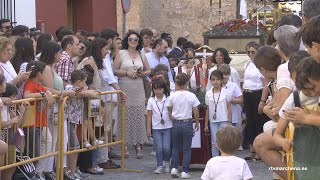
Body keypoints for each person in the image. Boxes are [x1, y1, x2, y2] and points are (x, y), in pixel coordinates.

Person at [113, 31, 151, 159]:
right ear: (127, 40)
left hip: (138, 87)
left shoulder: (141, 53)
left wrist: (143, 73)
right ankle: (124, 145)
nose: (133, 42)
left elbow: (149, 69)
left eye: (135, 40)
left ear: (138, 41)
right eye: (130, 39)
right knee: (124, 115)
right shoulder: (121, 53)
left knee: (139, 114)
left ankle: (138, 145)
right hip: (125, 86)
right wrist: (126, 73)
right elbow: (114, 70)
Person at [23, 61, 56, 179]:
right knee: (34, 152)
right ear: (39, 74)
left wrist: (47, 92)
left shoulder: (37, 84)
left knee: (48, 142)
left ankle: (38, 171)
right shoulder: (30, 83)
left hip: (40, 121)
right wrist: (43, 94)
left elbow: (44, 90)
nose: (44, 75)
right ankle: (33, 174)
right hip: (32, 122)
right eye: (43, 73)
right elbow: (26, 95)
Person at [64, 69, 100, 178]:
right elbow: (88, 94)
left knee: (76, 147)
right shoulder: (70, 88)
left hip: (75, 121)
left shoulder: (78, 88)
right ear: (79, 82)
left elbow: (91, 93)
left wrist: (90, 92)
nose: (86, 84)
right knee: (73, 147)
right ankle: (70, 172)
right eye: (84, 81)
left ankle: (73, 171)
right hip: (69, 120)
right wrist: (89, 92)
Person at [168, 73, 200, 179]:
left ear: (176, 83)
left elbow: (169, 108)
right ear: (187, 83)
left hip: (176, 123)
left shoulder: (172, 95)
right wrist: (196, 122)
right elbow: (196, 110)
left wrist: (171, 117)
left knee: (175, 147)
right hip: (187, 122)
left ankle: (174, 168)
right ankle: (185, 171)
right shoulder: (191, 95)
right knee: (187, 148)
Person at [242, 43, 270, 161]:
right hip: (248, 93)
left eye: (252, 52)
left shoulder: (261, 66)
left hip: (257, 93)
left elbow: (265, 85)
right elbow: (245, 80)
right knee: (250, 120)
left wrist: (262, 101)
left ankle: (259, 150)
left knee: (258, 120)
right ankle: (251, 148)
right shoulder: (248, 64)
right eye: (248, 52)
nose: (250, 54)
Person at [0, 83, 30, 180]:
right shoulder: (2, 105)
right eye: (13, 97)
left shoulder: (11, 107)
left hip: (10, 136)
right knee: (3, 165)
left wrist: (24, 111)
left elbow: (19, 125)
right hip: (3, 136)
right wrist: (13, 120)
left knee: (11, 164)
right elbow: (4, 124)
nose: (14, 100)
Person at [146, 77, 172, 174]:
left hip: (168, 127)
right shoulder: (151, 100)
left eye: (160, 89)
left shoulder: (169, 98)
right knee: (159, 148)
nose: (158, 91)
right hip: (156, 127)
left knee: (167, 147)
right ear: (153, 89)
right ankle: (159, 165)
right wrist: (148, 129)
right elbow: (149, 115)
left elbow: (172, 111)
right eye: (155, 89)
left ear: (164, 89)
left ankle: (167, 163)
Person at [204, 70, 232, 157]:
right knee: (214, 142)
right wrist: (206, 125)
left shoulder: (226, 92)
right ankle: (215, 160)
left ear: (221, 80)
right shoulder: (208, 94)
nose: (215, 81)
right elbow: (208, 110)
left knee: (224, 141)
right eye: (213, 79)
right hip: (213, 121)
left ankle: (225, 159)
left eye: (217, 79)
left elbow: (229, 107)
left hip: (224, 120)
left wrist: (230, 122)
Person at [218, 64, 243, 130]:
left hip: (232, 118)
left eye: (226, 74)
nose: (224, 76)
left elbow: (241, 100)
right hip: (219, 118)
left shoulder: (233, 86)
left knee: (230, 137)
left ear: (229, 75)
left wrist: (230, 99)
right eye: (222, 74)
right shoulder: (216, 86)